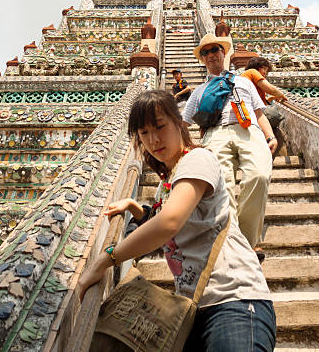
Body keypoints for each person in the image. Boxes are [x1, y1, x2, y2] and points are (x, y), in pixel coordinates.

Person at [78, 90, 276, 351]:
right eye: (143, 133)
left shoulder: (198, 159)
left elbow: (170, 222)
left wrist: (107, 258)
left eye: (160, 126)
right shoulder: (168, 181)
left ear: (179, 122)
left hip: (235, 301)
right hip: (194, 309)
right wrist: (136, 209)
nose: (153, 139)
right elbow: (163, 222)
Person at [182, 34, 275, 252]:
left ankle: (245, 240)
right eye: (205, 52)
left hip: (249, 130)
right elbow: (183, 124)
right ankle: (235, 245)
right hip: (216, 134)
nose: (211, 55)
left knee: (260, 176)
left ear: (224, 53)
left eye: (215, 50)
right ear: (202, 59)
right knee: (221, 187)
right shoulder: (198, 91)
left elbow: (260, 113)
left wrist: (270, 135)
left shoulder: (244, 82)